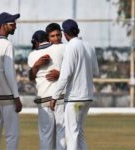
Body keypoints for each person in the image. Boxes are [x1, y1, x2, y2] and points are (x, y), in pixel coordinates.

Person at [50, 19, 99, 150]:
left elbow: (65, 75)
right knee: (79, 132)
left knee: (71, 134)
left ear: (65, 33)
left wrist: (55, 96)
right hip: (87, 97)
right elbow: (96, 71)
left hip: (75, 99)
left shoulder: (71, 46)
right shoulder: (89, 46)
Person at [28, 30, 66, 150]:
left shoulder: (32, 55)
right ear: (48, 39)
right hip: (60, 97)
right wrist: (61, 74)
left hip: (43, 98)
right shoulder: (61, 48)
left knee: (45, 135)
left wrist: (36, 66)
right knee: (62, 133)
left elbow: (31, 77)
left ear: (35, 42)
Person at [0, 12, 22, 150]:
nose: (15, 26)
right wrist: (16, 97)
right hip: (7, 97)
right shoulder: (7, 45)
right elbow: (9, 72)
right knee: (12, 134)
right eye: (12, 24)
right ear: (3, 26)